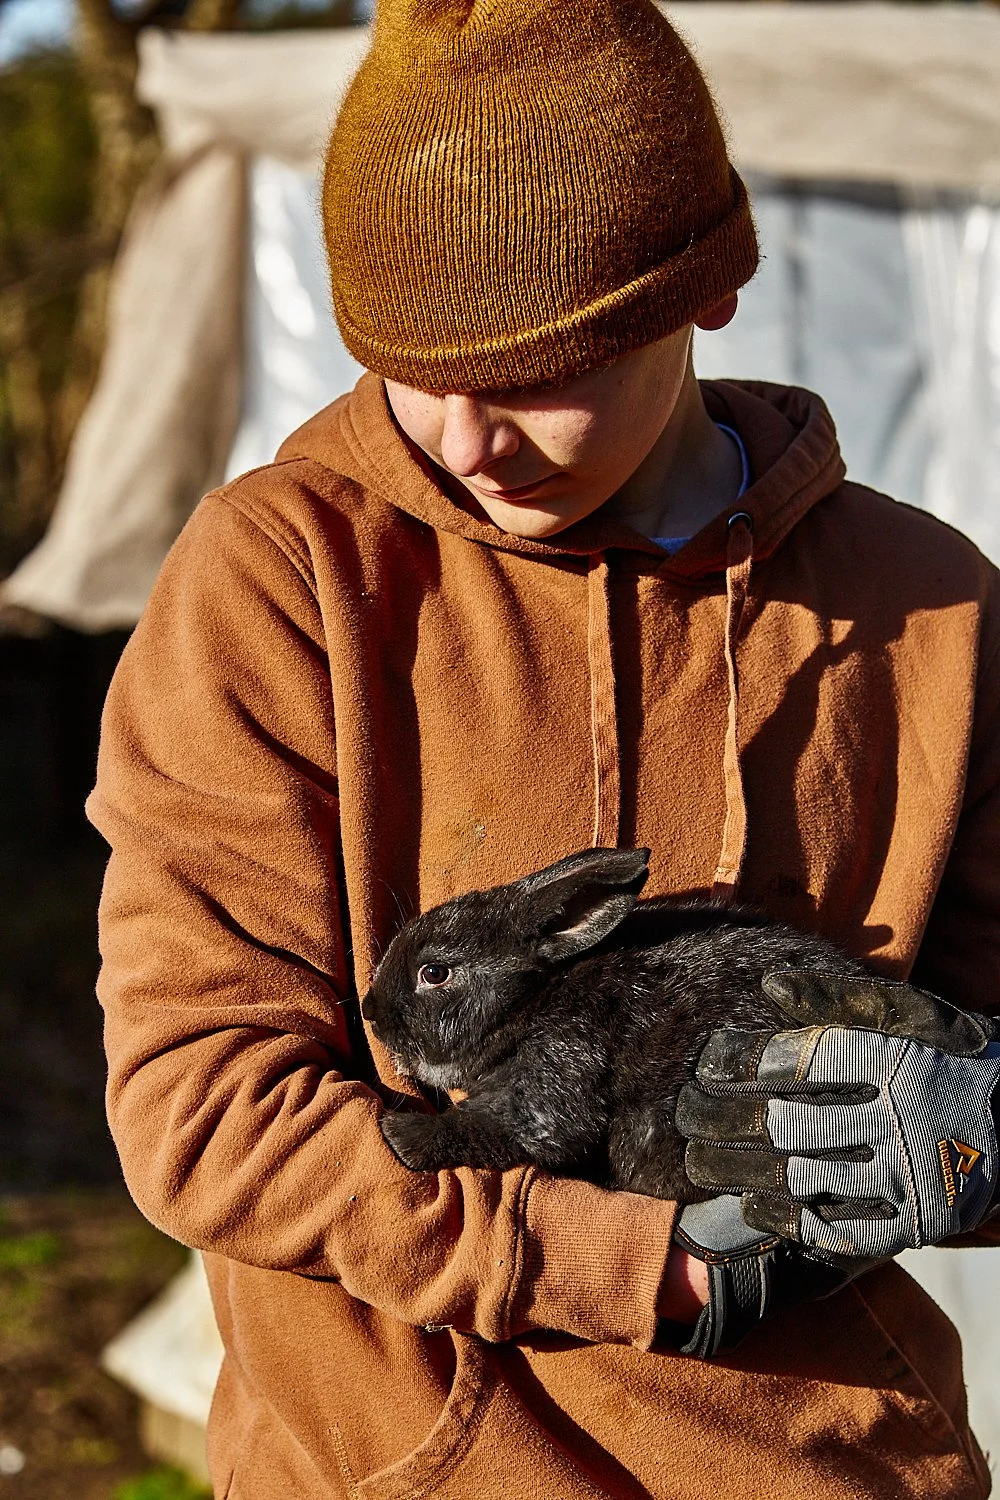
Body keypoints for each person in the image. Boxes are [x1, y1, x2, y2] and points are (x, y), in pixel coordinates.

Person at [88, 0, 1000, 1495]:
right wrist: (656, 1268)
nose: (463, 437)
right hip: (392, 1465)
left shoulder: (933, 609)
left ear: (703, 291)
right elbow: (203, 1108)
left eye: (529, 373)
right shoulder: (282, 583)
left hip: (825, 1463)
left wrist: (978, 1125)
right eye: (406, 366)